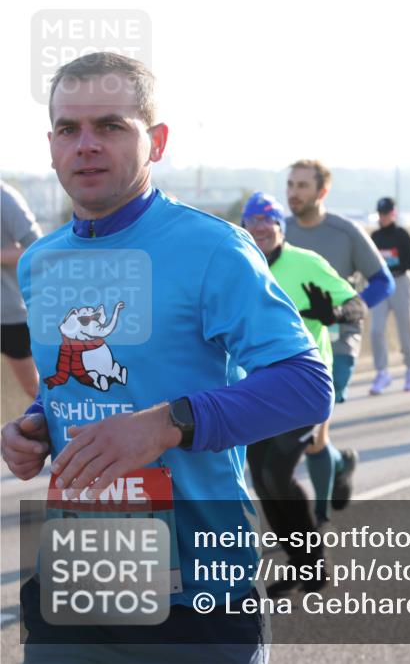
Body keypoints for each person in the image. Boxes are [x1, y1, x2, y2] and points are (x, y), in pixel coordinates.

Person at [4, 52, 333, 662]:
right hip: (79, 584)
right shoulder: (39, 263)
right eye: (70, 130)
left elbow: (306, 385)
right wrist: (34, 426)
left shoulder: (213, 249)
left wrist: (165, 424)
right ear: (50, 146)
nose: (87, 146)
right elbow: (68, 384)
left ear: (155, 141)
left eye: (110, 126)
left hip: (198, 595)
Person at [240, 192, 364, 587]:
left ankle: (313, 565)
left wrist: (335, 314)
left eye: (267, 219)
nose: (260, 227)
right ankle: (299, 562)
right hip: (257, 386)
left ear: (281, 225)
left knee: (277, 473)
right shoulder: (240, 267)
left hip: (303, 384)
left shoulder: (305, 263)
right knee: (261, 478)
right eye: (252, 220)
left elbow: (357, 305)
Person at [284, 159, 393, 512]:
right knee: (313, 434)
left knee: (313, 430)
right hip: (290, 346)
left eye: (302, 186)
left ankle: (319, 519)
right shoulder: (277, 231)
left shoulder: (345, 232)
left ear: (322, 191)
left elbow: (383, 281)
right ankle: (340, 463)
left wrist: (345, 311)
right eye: (290, 185)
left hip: (337, 342)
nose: (294, 193)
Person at [369, 197, 410, 394]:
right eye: (380, 214)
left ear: (393, 214)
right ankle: (382, 372)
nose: (383, 218)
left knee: (405, 327)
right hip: (381, 284)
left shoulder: (401, 234)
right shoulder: (375, 237)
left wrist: (392, 261)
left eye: (387, 214)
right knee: (376, 330)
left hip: (400, 282)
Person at [1, 182, 43, 398]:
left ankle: (57, 430)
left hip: (9, 315)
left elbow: (38, 250)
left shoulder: (5, 198)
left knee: (34, 389)